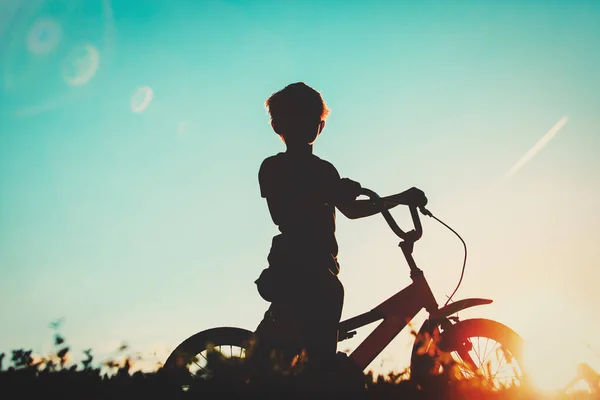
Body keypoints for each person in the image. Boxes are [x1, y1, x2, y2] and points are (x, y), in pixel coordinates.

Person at [252, 82, 427, 387]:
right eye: (299, 116)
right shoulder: (274, 167)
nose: (308, 124)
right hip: (295, 270)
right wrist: (327, 192)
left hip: (323, 269)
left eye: (313, 119)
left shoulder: (325, 170)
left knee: (317, 345)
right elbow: (281, 213)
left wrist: (398, 198)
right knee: (315, 365)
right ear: (278, 126)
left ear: (320, 125)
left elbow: (352, 209)